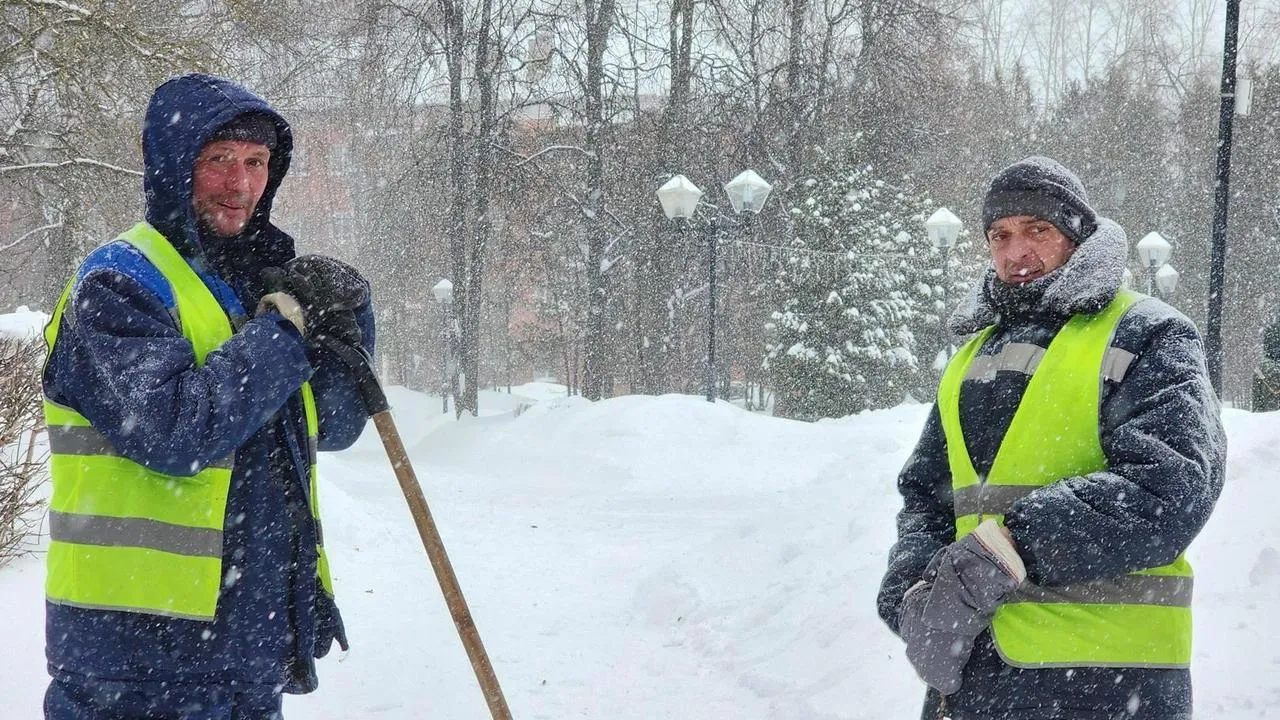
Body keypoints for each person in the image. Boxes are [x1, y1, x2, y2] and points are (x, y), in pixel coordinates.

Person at [41, 73, 375, 719]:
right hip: (136, 658)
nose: (241, 184)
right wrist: (285, 330)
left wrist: (349, 319)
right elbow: (174, 431)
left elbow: (330, 425)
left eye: (256, 163)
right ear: (173, 167)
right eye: (218, 160)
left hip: (245, 648)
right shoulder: (116, 283)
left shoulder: (247, 288)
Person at [877, 156, 1225, 720]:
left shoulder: (1147, 332)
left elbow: (1171, 487)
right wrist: (913, 591)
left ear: (1077, 234)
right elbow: (928, 496)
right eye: (1000, 235)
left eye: (1038, 230)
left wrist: (1006, 550)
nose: (1016, 253)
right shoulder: (970, 357)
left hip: (1109, 681)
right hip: (975, 677)